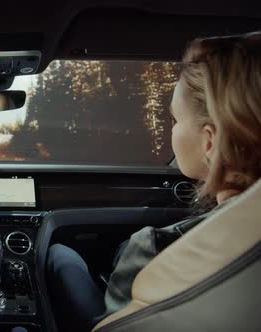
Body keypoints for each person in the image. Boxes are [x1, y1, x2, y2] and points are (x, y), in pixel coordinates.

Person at [47, 31, 261, 332]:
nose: (172, 129)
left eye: (175, 120)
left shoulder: (152, 248)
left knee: (60, 255)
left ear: (210, 142)